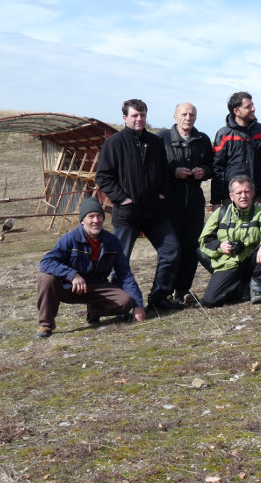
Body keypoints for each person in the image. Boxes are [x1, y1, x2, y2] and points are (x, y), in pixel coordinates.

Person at [95, 98, 181, 312]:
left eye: (142, 115)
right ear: (125, 118)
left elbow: (165, 173)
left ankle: (159, 297)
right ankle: (119, 305)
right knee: (119, 260)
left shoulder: (156, 142)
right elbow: (103, 177)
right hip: (127, 214)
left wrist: (162, 193)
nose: (139, 119)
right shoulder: (114, 143)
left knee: (172, 251)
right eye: (134, 115)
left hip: (155, 212)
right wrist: (123, 199)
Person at [35, 197, 146, 339]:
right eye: (91, 216)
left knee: (126, 301)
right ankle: (46, 324)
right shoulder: (70, 239)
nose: (96, 220)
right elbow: (46, 262)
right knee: (47, 280)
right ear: (83, 220)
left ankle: (94, 311)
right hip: (70, 287)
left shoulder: (112, 241)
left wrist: (138, 305)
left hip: (97, 286)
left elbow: (125, 274)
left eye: (99, 216)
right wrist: (72, 275)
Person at [157, 103, 214, 305]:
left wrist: (204, 172)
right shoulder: (162, 137)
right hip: (171, 199)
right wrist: (174, 173)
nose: (188, 117)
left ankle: (182, 290)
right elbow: (154, 167)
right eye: (184, 114)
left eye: (191, 114)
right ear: (175, 116)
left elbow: (212, 166)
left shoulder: (202, 139)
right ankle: (164, 291)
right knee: (171, 247)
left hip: (195, 199)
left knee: (191, 246)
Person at [198, 175, 261, 306]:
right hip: (229, 263)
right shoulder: (220, 213)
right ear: (231, 196)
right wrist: (220, 246)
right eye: (238, 193)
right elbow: (204, 240)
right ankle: (240, 286)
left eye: (247, 192)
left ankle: (257, 285)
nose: (243, 196)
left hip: (252, 260)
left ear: (253, 193)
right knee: (210, 301)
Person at [210, 91, 261, 209]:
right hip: (232, 198)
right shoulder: (223, 134)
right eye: (248, 107)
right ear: (236, 111)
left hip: (260, 196)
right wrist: (215, 201)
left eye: (252, 105)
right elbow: (217, 169)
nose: (253, 109)